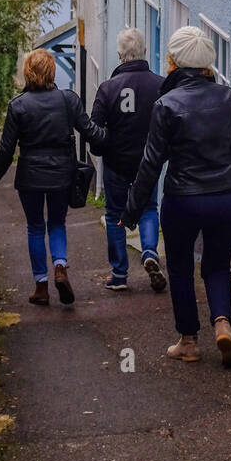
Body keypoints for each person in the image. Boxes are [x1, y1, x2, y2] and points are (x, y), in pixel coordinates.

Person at [124, 25, 231, 367]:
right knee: (216, 264)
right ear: (206, 63)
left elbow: (151, 162)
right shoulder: (227, 97)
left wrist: (132, 209)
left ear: (173, 61)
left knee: (181, 267)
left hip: (183, 200)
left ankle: (188, 341)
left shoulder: (166, 104)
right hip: (226, 197)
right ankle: (223, 324)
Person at [0, 49, 107, 307]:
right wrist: (120, 137)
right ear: (51, 71)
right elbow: (91, 131)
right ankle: (60, 267)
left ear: (28, 72)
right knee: (58, 223)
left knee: (36, 227)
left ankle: (41, 286)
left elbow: (6, 150)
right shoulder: (68, 100)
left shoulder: (18, 105)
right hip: (62, 173)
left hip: (30, 175)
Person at [90, 27, 166, 293]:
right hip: (148, 161)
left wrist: (102, 147)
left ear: (120, 55)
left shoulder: (107, 88)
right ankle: (148, 252)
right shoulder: (160, 85)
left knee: (114, 215)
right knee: (147, 208)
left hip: (116, 162)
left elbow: (95, 128)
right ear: (144, 51)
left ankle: (120, 274)